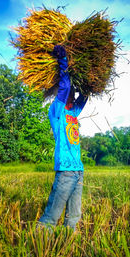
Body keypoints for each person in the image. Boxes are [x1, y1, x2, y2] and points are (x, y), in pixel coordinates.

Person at [38, 45, 88, 231]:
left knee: (74, 217)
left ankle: (68, 248)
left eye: (73, 93)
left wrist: (87, 76)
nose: (72, 95)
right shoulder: (56, 111)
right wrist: (63, 60)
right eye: (70, 93)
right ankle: (38, 245)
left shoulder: (73, 112)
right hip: (66, 171)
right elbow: (65, 86)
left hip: (78, 170)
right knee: (52, 216)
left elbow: (85, 96)